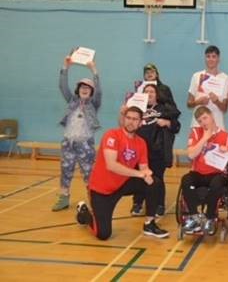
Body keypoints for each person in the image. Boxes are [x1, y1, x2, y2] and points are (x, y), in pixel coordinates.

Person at [75, 107, 169, 240]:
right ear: (124, 119)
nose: (131, 122)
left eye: (135, 119)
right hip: (102, 190)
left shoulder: (141, 143)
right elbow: (111, 165)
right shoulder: (112, 136)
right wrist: (139, 174)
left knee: (154, 182)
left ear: (140, 122)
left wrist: (147, 174)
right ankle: (84, 213)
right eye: (128, 118)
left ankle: (149, 224)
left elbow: (144, 168)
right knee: (103, 234)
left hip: (122, 184)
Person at [52, 53, 101, 211]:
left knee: (89, 172)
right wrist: (65, 66)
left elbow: (99, 91)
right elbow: (62, 86)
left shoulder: (94, 104)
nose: (85, 89)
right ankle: (64, 197)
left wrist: (94, 70)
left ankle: (93, 197)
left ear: (91, 92)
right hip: (68, 142)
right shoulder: (72, 101)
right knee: (66, 169)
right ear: (78, 90)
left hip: (85, 144)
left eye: (88, 88)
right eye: (82, 87)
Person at [180, 106, 228, 235]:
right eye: (200, 121)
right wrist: (205, 138)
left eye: (205, 118)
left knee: (217, 183)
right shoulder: (196, 133)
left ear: (212, 116)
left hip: (217, 174)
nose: (203, 123)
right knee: (186, 180)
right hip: (198, 173)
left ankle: (209, 217)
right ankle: (194, 217)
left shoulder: (226, 137)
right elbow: (190, 155)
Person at [130, 84, 181, 217]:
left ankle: (159, 204)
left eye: (152, 91)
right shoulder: (138, 110)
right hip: (139, 150)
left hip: (157, 150)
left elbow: (176, 126)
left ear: (157, 94)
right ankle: (138, 203)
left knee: (157, 178)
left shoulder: (165, 109)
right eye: (146, 91)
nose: (149, 94)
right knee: (139, 177)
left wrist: (167, 123)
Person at [187, 45, 228, 130]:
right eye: (208, 56)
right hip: (198, 125)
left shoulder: (225, 78)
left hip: (217, 125)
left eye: (214, 57)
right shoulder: (196, 76)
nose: (210, 59)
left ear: (218, 59)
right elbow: (189, 104)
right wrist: (198, 102)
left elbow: (225, 108)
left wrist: (217, 101)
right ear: (205, 58)